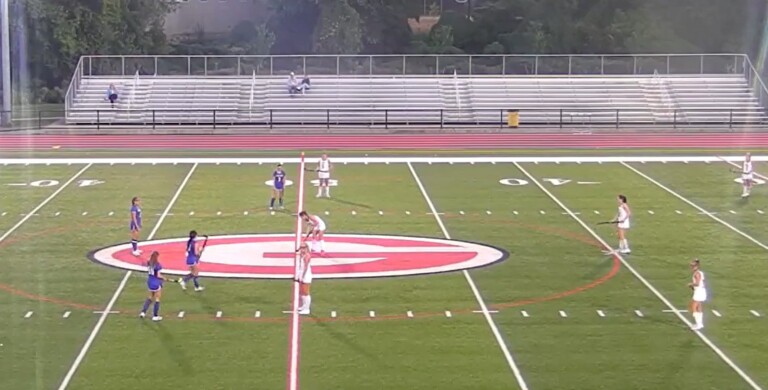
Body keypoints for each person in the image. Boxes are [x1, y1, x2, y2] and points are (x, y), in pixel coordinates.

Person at [139, 251, 169, 322]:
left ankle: (143, 312)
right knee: (157, 299)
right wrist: (164, 278)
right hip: (156, 282)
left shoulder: (149, 263)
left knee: (150, 297)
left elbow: (147, 260)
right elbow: (158, 275)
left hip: (149, 281)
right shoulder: (158, 265)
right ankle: (155, 316)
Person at [688, 259, 707, 330]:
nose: (692, 267)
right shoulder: (700, 273)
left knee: (693, 307)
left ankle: (698, 324)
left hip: (699, 291)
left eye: (693, 266)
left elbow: (697, 283)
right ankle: (700, 323)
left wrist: (691, 284)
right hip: (701, 290)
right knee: (699, 306)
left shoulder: (697, 274)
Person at [295, 242, 313, 315]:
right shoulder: (303, 255)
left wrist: (302, 276)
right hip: (301, 274)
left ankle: (307, 309)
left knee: (306, 292)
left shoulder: (307, 256)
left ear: (306, 248)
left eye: (303, 248)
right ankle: (303, 306)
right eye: (301, 248)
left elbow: (305, 267)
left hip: (306, 275)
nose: (302, 249)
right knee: (302, 292)